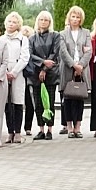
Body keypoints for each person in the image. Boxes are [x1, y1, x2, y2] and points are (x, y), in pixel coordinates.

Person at [60, 6, 91, 139]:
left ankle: (78, 126)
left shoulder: (86, 33)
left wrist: (81, 66)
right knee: (67, 98)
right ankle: (69, 127)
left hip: (82, 70)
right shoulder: (62, 34)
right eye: (73, 16)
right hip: (68, 69)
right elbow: (63, 51)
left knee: (79, 98)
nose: (75, 19)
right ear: (69, 18)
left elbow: (88, 51)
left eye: (78, 17)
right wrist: (73, 65)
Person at [28, 11, 61, 140]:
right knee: (38, 103)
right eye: (41, 19)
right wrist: (42, 62)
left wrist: (45, 68)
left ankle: (49, 129)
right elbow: (30, 54)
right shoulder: (32, 38)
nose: (43, 22)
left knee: (50, 101)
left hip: (50, 73)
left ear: (49, 22)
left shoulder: (55, 35)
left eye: (46, 20)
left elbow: (55, 53)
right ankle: (41, 128)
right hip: (35, 73)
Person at [1, 12, 30, 144]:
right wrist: (5, 72)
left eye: (14, 22)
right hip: (4, 73)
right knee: (7, 103)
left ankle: (18, 132)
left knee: (17, 102)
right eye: (9, 21)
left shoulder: (23, 39)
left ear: (18, 24)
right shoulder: (1, 39)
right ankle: (10, 132)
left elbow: (25, 57)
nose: (11, 24)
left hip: (18, 74)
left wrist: (14, 72)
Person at [20, 24, 35, 136]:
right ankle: (25, 127)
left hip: (29, 76)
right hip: (20, 74)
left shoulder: (32, 46)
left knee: (29, 102)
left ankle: (28, 127)